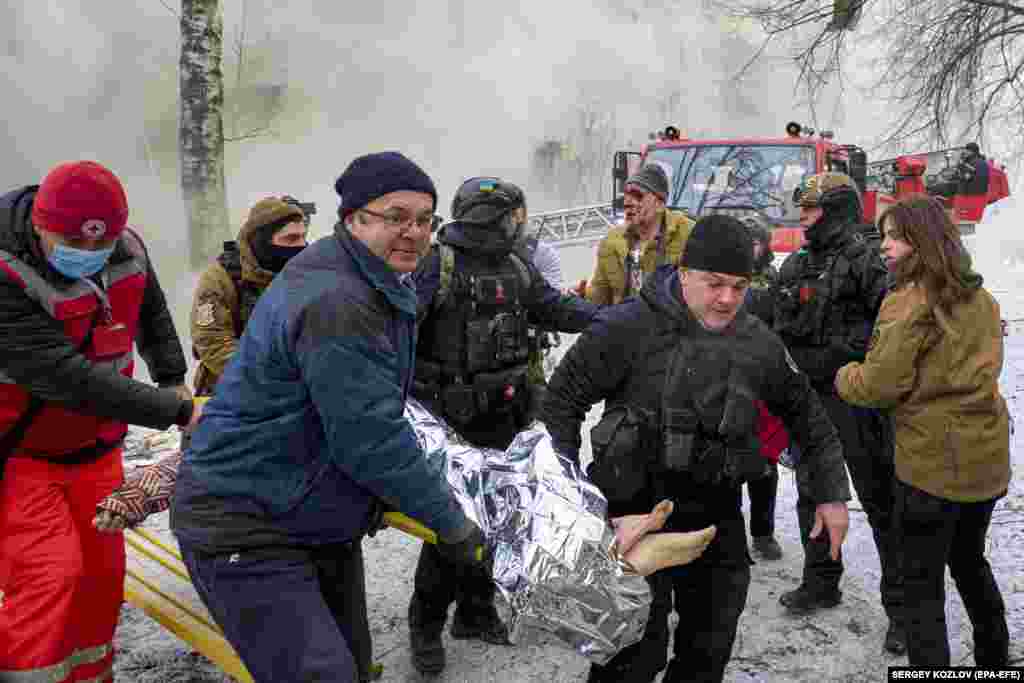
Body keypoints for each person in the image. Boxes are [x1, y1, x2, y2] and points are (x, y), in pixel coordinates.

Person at [170, 152, 489, 683]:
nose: (413, 231)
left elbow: (366, 407)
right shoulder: (339, 299)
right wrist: (451, 524)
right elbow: (370, 437)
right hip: (246, 521)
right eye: (395, 216)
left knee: (355, 669)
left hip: (307, 508)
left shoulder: (369, 276)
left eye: (424, 219)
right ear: (352, 218)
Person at [542, 214, 851, 683]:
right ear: (684, 273)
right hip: (632, 517)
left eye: (739, 286)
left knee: (708, 651)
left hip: (715, 515)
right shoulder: (627, 327)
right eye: (714, 283)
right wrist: (572, 500)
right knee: (629, 657)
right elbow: (561, 400)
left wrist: (830, 493)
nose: (727, 298)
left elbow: (807, 414)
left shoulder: (755, 341)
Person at [0, 160, 201, 683]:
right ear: (40, 224)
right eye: (72, 241)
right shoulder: (4, 273)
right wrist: (177, 410)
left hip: (97, 450)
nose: (88, 255)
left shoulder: (127, 247)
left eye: (101, 243)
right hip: (19, 455)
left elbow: (152, 312)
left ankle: (92, 675)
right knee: (49, 577)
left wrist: (173, 376)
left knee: (100, 575)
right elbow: (67, 378)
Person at [408, 176, 600, 675]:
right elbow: (396, 331)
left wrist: (609, 318)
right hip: (447, 423)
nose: (522, 222)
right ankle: (424, 626)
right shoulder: (437, 264)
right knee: (449, 527)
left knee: (496, 519)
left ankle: (474, 612)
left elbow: (554, 307)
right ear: (493, 216)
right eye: (516, 214)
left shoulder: (516, 265)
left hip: (505, 416)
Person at [836, 195, 1011, 668]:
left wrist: (843, 372)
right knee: (971, 562)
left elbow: (878, 385)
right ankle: (996, 662)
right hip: (986, 462)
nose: (884, 247)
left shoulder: (907, 302)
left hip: (932, 468)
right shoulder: (981, 297)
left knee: (921, 588)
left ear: (922, 241)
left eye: (894, 237)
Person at [773, 171, 906, 653]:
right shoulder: (796, 264)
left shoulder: (870, 261)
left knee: (880, 501)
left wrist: (847, 355)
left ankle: (903, 611)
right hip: (809, 400)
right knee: (812, 492)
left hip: (858, 400)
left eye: (811, 209)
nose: (803, 217)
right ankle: (821, 580)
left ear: (836, 211)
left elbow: (891, 328)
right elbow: (774, 320)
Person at [190, 196, 308, 396]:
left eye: (302, 237)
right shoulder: (221, 279)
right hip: (233, 392)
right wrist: (270, 377)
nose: (301, 245)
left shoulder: (306, 274)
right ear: (262, 241)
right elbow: (212, 342)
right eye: (290, 239)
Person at [576, 164, 693, 304]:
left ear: (660, 204)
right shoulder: (611, 242)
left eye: (637, 196)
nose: (627, 203)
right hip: (625, 322)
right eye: (626, 195)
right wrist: (582, 296)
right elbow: (600, 299)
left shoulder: (690, 235)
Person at [740, 215, 784, 560]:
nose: (752, 247)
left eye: (756, 241)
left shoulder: (773, 279)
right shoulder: (723, 277)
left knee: (765, 463)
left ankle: (763, 532)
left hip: (764, 379)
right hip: (728, 376)